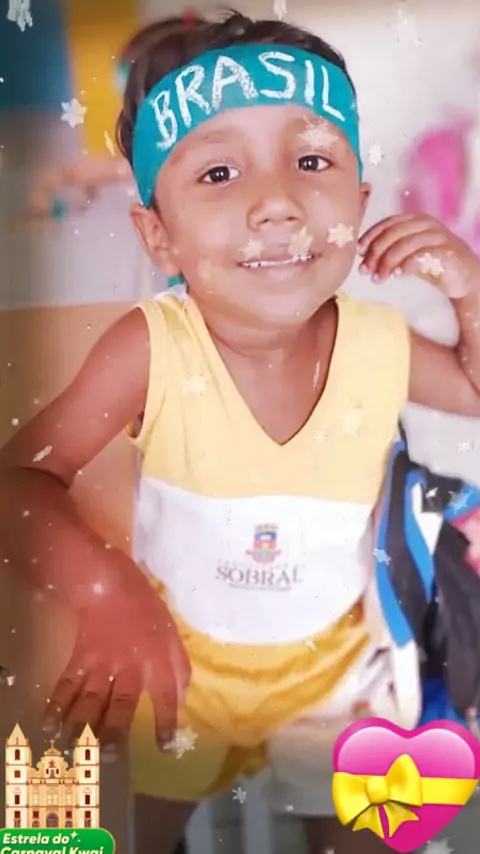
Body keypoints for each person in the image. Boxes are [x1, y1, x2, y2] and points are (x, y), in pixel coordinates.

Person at [3, 9, 480, 853]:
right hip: (177, 675)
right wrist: (106, 592)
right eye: (220, 172)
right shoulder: (151, 348)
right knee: (121, 831)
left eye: (311, 161)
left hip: (337, 686)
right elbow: (21, 478)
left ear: (360, 201)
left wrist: (468, 290)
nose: (276, 204)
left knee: (371, 836)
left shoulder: (379, 343)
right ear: (159, 236)